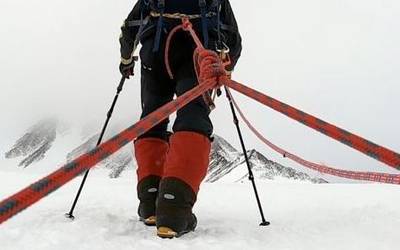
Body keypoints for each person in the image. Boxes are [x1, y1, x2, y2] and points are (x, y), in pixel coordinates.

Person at [119, 0, 241, 238]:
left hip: (155, 54)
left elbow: (130, 26)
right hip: (198, 55)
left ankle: (150, 200)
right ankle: (173, 209)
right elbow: (233, 37)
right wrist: (226, 67)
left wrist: (126, 60)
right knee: (192, 119)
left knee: (152, 119)